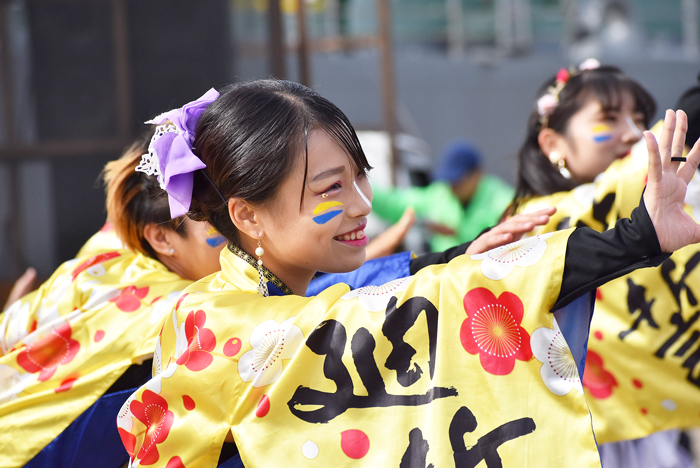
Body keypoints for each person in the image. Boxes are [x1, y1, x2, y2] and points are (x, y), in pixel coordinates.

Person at [117, 80, 700, 468]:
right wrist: (636, 237)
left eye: (359, 178)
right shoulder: (225, 323)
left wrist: (459, 256)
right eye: (330, 189)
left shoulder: (242, 301)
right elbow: (377, 306)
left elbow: (364, 296)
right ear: (246, 214)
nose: (362, 205)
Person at [510, 60, 699, 465]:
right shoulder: (530, 225)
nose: (633, 135)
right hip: (575, 438)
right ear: (552, 143)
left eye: (638, 119)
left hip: (652, 429)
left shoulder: (648, 199)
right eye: (609, 119)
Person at [0, 130, 226, 468]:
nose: (241, 225)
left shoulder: (93, 261)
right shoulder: (189, 304)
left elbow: (9, 329)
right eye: (213, 216)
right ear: (161, 238)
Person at [371, 140, 514, 252]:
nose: (453, 186)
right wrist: (359, 186)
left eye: (458, 180)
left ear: (477, 173)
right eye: (449, 180)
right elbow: (395, 204)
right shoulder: (441, 193)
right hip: (447, 279)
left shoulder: (503, 201)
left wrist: (457, 232)